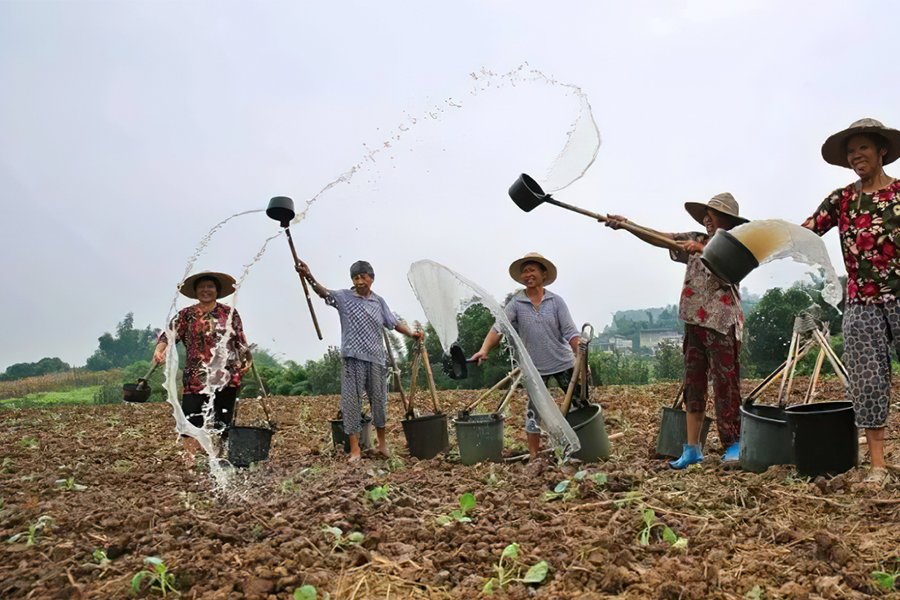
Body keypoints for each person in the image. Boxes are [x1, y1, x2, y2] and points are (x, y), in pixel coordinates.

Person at [605, 193, 747, 468]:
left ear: (727, 220)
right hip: (694, 321)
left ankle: (733, 444)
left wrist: (702, 248)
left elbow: (732, 268)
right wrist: (627, 225)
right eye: (705, 214)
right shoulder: (694, 236)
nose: (707, 219)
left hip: (722, 323)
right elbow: (661, 237)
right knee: (693, 384)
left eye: (713, 214)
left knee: (725, 385)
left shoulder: (736, 244)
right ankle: (692, 448)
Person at [803, 118, 900, 485]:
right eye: (850, 151)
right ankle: (878, 467)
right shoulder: (842, 199)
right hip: (861, 303)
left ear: (882, 151)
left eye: (862, 148)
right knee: (867, 381)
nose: (856, 155)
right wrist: (761, 238)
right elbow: (807, 230)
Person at [296, 259, 423, 462]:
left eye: (363, 276)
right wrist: (309, 277)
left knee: (379, 402)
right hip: (353, 358)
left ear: (371, 279)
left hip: (375, 359)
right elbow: (323, 292)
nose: (359, 280)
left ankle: (381, 445)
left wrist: (411, 333)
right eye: (355, 277)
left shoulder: (378, 302)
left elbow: (393, 322)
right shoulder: (344, 297)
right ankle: (355, 449)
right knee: (351, 403)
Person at [470, 252, 581, 461]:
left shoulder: (556, 302)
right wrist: (484, 349)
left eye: (531, 270)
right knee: (534, 412)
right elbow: (498, 328)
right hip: (535, 368)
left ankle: (582, 448)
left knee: (578, 406)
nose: (527, 275)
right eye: (524, 272)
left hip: (563, 363)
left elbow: (571, 333)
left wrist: (580, 359)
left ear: (543, 274)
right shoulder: (517, 304)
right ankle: (534, 456)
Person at [153, 271, 251, 458]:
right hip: (196, 378)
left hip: (226, 376)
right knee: (191, 421)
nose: (206, 290)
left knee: (223, 421)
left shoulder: (229, 313)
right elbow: (168, 335)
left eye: (210, 287)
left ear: (217, 290)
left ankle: (221, 458)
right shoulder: (186, 315)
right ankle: (192, 462)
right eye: (202, 287)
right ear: (196, 291)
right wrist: (160, 350)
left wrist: (247, 358)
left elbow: (240, 340)